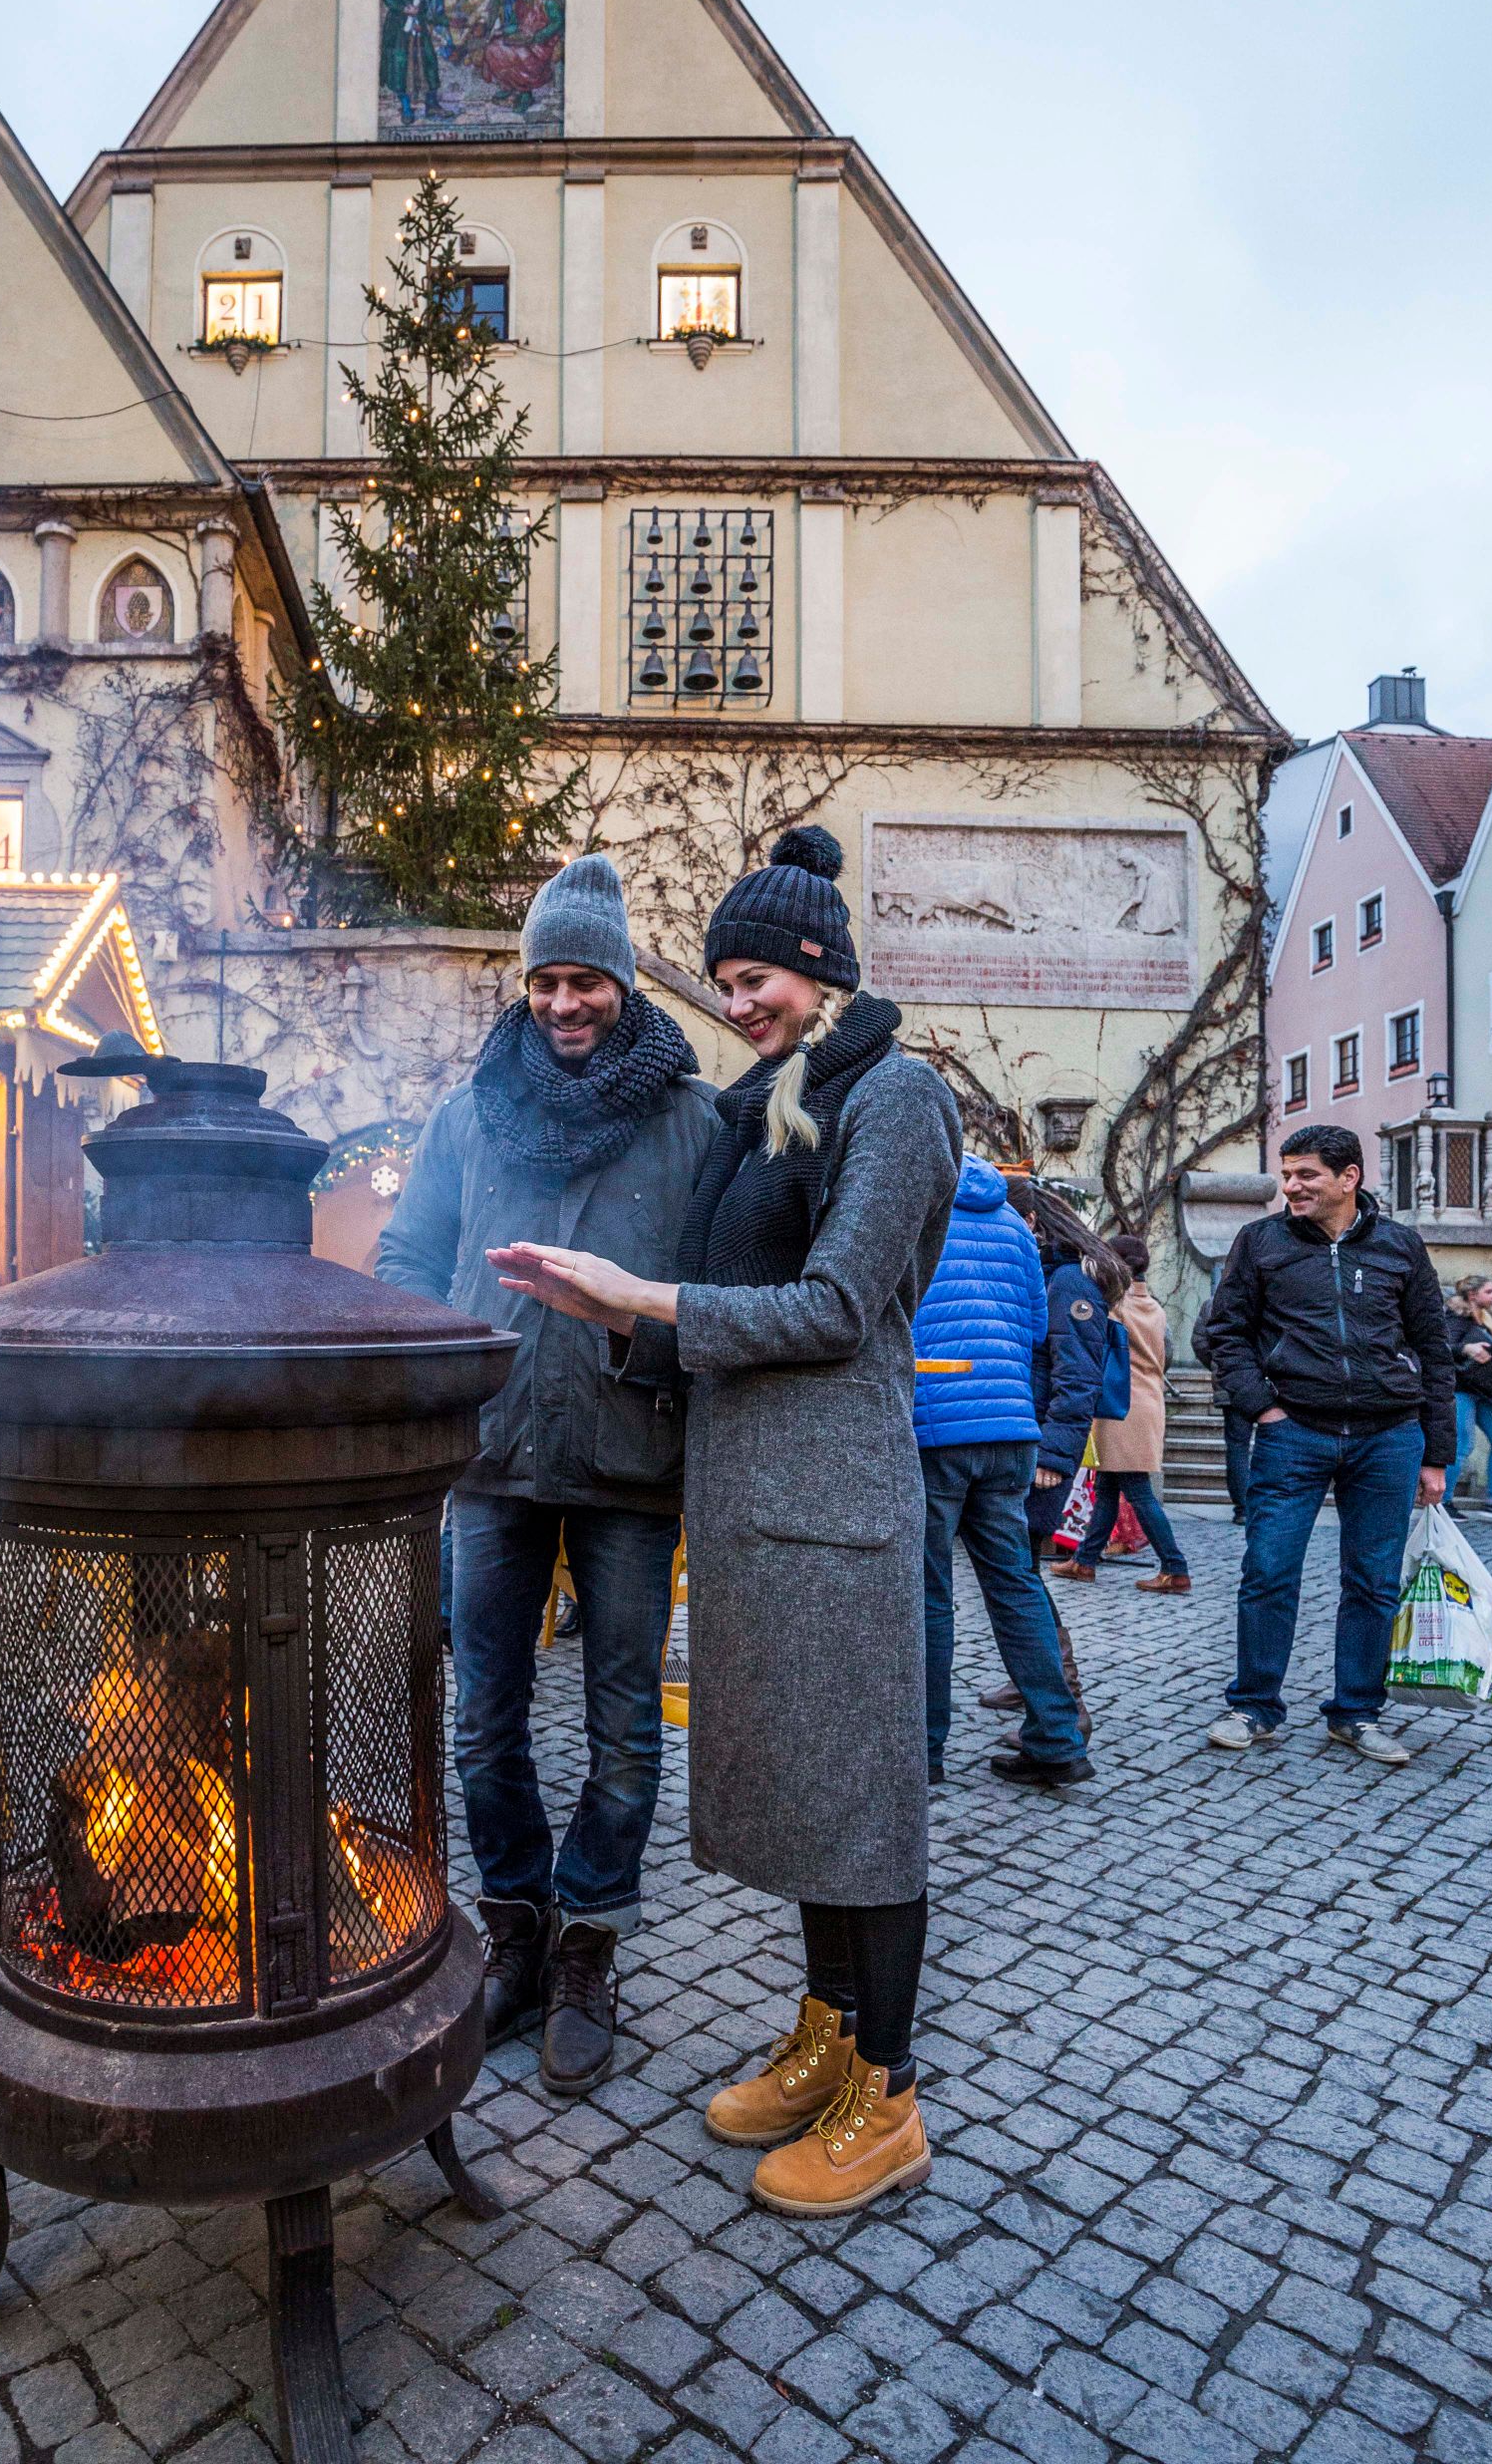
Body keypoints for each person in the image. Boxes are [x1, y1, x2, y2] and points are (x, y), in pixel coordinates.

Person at [491, 825, 963, 2218]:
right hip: (755, 1501)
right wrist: (602, 1315)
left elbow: (836, 1308)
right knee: (810, 1797)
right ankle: (828, 2033)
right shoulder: (773, 1102)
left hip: (836, 1501)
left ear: (822, 972)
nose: (740, 1001)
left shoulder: (897, 1093)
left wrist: (639, 1297)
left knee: (863, 1807)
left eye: (759, 979)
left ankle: (888, 2093)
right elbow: (723, 1312)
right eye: (728, 981)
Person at [375, 852, 715, 2097]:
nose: (566, 1003)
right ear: (525, 988)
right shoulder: (469, 1116)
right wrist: (437, 1379)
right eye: (546, 981)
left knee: (623, 1719)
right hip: (493, 1455)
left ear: (623, 983)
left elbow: (715, 1295)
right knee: (485, 1713)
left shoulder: (695, 1120)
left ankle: (588, 1944)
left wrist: (640, 1339)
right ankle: (515, 1922)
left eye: (588, 981)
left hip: (631, 1455)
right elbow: (408, 1259)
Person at [1205, 1122, 1452, 1764]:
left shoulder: (1400, 1246)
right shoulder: (1260, 1241)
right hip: (1294, 1433)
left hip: (1388, 1436)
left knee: (1373, 1582)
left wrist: (1436, 1454)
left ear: (1349, 1178)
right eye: (1286, 1174)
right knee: (1268, 1572)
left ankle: (1356, 1713)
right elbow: (1224, 1333)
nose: (1291, 1186)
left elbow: (1434, 1348)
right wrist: (1264, 1408)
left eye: (1306, 1174)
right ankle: (1254, 1706)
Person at [914, 1156, 1093, 1788]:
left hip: (935, 1422)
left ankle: (923, 1749)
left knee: (928, 1591)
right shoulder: (1016, 1224)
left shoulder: (913, 1209)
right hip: (1011, 1426)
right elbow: (1036, 1327)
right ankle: (1058, 1738)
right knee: (1016, 1582)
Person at [1051, 1233, 1190, 1592]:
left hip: (1121, 1405)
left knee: (1138, 1491)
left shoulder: (1114, 1304)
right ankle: (1084, 1561)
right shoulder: (1155, 1308)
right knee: (1109, 1488)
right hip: (1146, 1403)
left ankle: (1175, 1567)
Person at [1443, 1276, 1492, 1513]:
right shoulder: (1456, 1318)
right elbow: (1442, 1348)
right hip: (1461, 1390)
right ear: (1473, 1295)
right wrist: (1466, 1348)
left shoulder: (1489, 1320)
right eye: (1489, 1291)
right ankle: (1444, 1503)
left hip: (1484, 1391)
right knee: (1462, 1446)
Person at [1194, 1290, 1254, 1522]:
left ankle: (1243, 1508)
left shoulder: (1214, 1303)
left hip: (1231, 1383)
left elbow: (1200, 1342)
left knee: (1237, 1446)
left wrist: (1219, 1365)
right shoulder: (1264, 1296)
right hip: (1263, 1380)